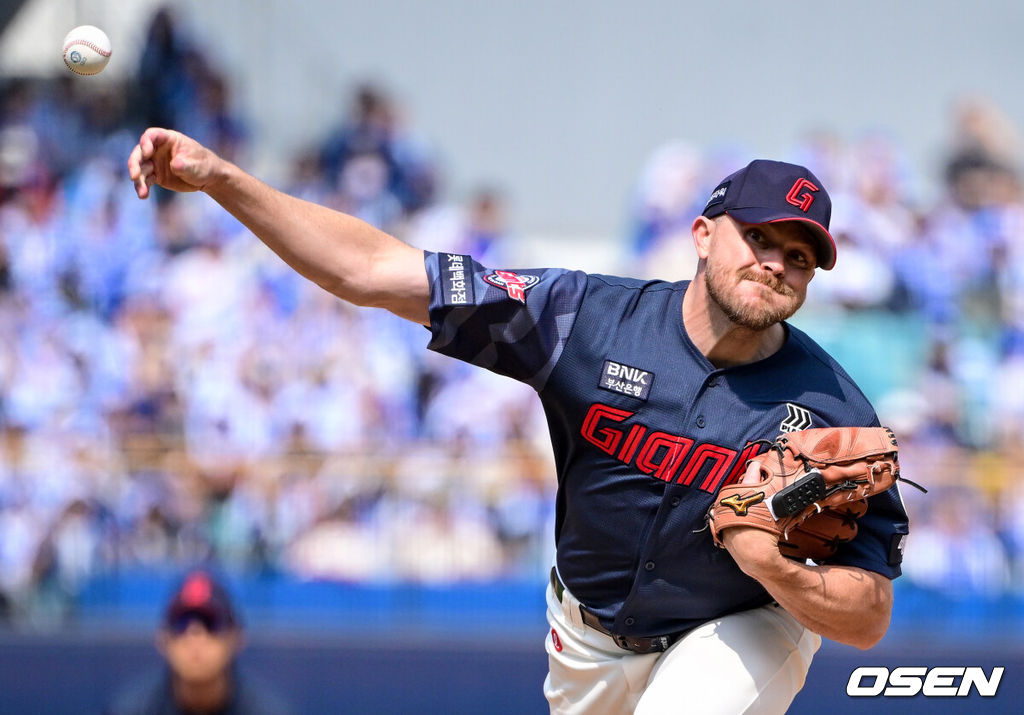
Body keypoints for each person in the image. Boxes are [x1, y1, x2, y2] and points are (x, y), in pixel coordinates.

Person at [128, 129, 910, 714]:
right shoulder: (586, 321)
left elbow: (869, 615)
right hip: (588, 638)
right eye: (760, 237)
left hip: (744, 624)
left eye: (799, 256)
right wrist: (222, 178)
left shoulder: (832, 409)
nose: (776, 262)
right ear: (703, 234)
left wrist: (771, 564)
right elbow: (369, 271)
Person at [106, 568, 291, 715]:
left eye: (210, 624)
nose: (195, 637)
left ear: (237, 637)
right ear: (163, 639)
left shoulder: (268, 711)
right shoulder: (130, 710)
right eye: (181, 623)